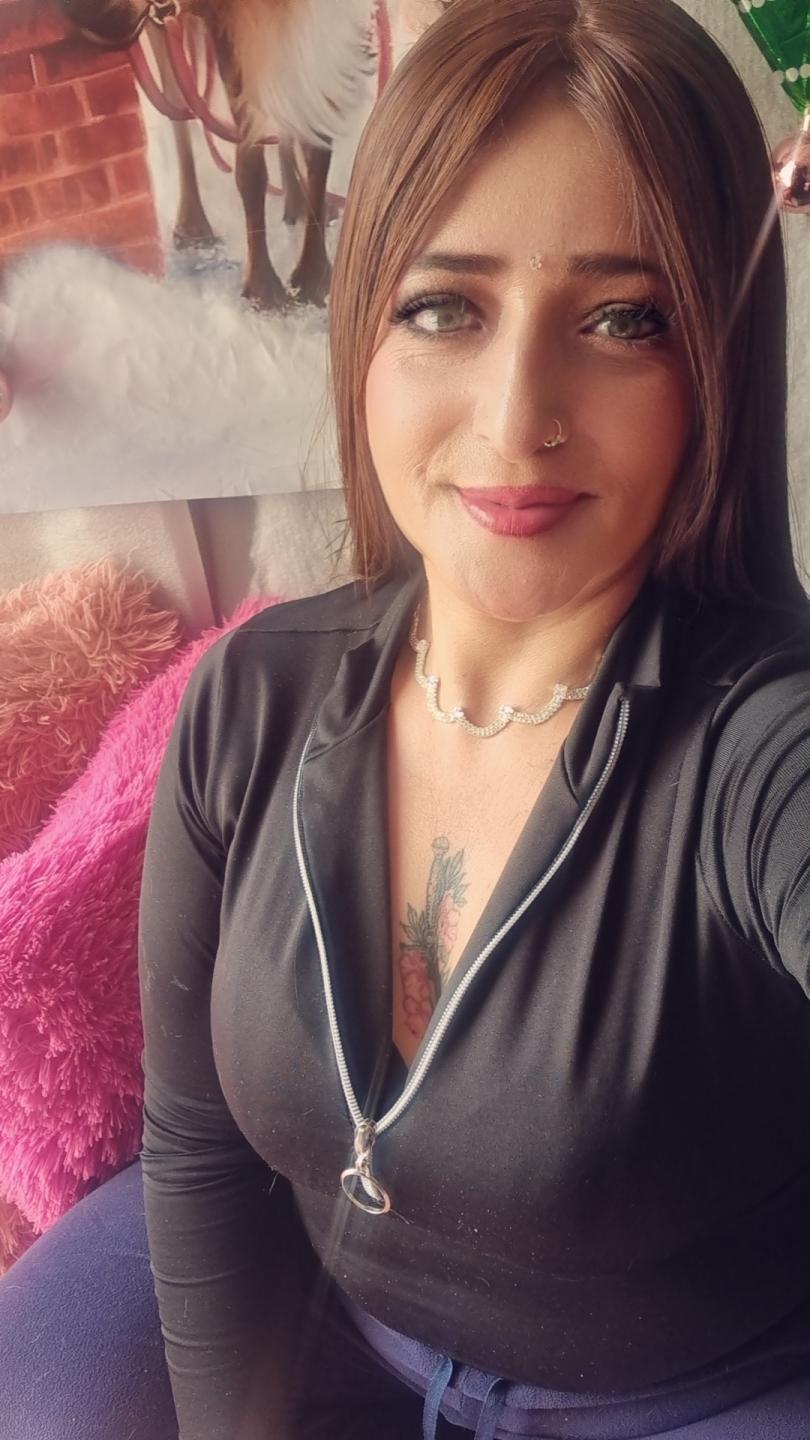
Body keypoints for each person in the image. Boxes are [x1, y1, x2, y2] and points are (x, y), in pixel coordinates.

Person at [2, 1, 810, 1437]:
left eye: (623, 320)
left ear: (718, 365)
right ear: (366, 329)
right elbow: (199, 1149)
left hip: (687, 1388)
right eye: (445, 308)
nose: (515, 417)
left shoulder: (763, 750)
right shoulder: (252, 699)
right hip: (322, 1309)